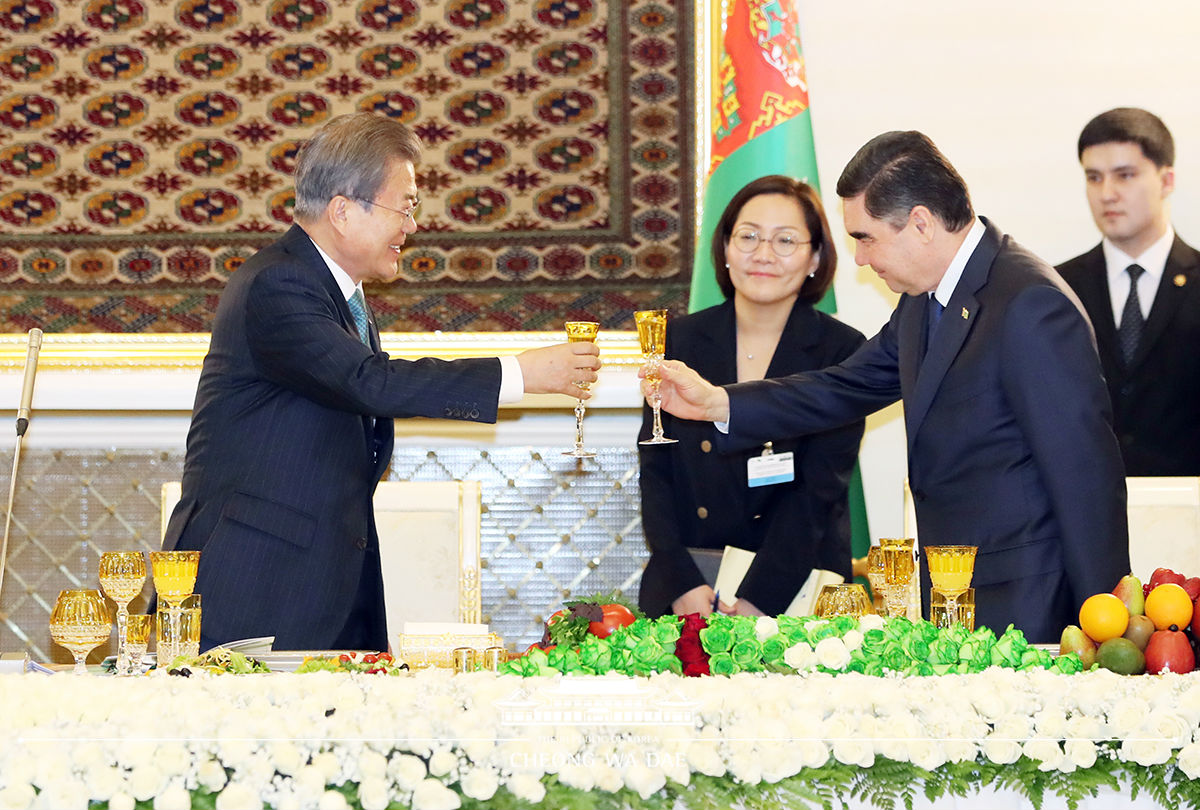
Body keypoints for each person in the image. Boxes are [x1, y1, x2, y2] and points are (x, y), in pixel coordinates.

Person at [643, 131, 1130, 642]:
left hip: (1030, 602)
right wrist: (719, 402)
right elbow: (844, 386)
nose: (857, 259)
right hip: (955, 597)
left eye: (865, 237)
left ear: (920, 223)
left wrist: (1107, 626)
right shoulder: (927, 296)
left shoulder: (1028, 304)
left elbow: (1085, 479)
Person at [163, 112, 600, 652]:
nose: (412, 226)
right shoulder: (278, 283)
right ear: (343, 210)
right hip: (255, 585)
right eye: (406, 206)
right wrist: (521, 374)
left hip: (324, 584)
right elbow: (369, 381)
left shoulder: (340, 293)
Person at [637, 176, 865, 619]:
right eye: (748, 236)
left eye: (785, 240)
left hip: (795, 586)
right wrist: (682, 582)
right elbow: (655, 472)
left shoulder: (842, 352)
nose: (763, 254)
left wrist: (758, 601)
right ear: (724, 248)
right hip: (689, 588)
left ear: (815, 256)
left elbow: (820, 491)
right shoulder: (677, 341)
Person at [1056, 108, 1200, 476]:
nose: (1107, 194)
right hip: (1087, 511)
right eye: (1094, 177)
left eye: (1125, 175)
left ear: (1166, 181)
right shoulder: (1056, 289)